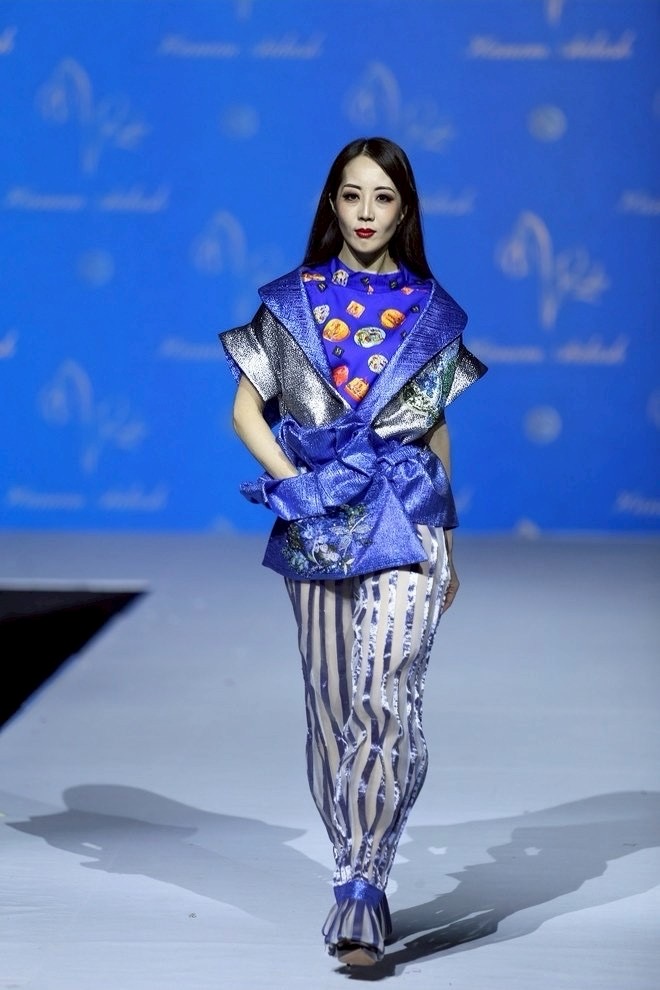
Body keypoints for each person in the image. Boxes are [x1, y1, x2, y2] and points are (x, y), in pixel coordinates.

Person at [219, 136, 487, 966]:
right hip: (320, 523)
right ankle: (349, 865)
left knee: (384, 694)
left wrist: (448, 538)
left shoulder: (432, 310)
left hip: (407, 516)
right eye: (351, 194)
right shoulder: (290, 302)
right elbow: (246, 411)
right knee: (333, 707)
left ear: (405, 211)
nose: (366, 212)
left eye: (383, 197)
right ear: (331, 204)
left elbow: (435, 428)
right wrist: (300, 485)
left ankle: (365, 887)